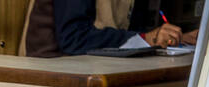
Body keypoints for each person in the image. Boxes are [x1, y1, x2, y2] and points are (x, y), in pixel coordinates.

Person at [24, 0, 197, 57]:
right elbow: (73, 38)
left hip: (100, 69)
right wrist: (147, 37)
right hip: (53, 80)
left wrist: (173, 37)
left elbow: (133, 28)